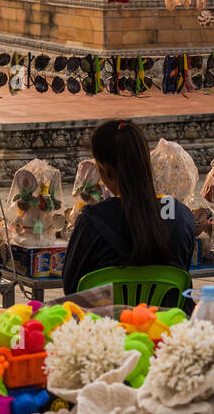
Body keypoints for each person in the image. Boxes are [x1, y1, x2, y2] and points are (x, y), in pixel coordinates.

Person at [61, 119, 195, 296]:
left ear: (105, 170)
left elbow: (71, 288)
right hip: (166, 322)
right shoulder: (180, 215)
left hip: (105, 322)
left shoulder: (92, 220)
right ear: (146, 163)